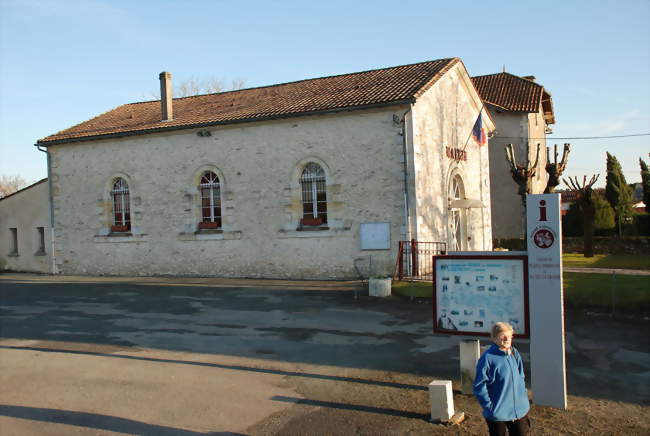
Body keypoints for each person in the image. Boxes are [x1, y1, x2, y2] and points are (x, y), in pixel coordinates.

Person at [473, 322, 531, 436]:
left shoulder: (514, 353)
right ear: (494, 338)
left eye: (509, 336)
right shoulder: (487, 359)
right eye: (502, 337)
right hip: (497, 413)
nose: (507, 339)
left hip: (520, 410)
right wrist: (490, 407)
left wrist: (522, 396)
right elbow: (479, 386)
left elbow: (521, 376)